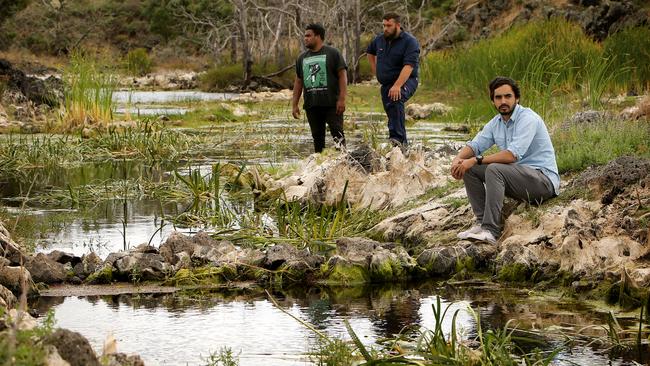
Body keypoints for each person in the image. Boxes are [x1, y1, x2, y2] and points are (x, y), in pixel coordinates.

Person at [450, 76, 560, 244]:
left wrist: (475, 160)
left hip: (542, 182)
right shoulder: (496, 123)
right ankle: (481, 223)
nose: (503, 101)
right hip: (518, 180)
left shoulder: (528, 118)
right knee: (469, 168)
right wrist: (458, 159)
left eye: (508, 96)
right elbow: (475, 145)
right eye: (498, 97)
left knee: (493, 168)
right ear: (493, 101)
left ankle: (491, 231)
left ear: (517, 98)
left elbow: (511, 155)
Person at [292, 23, 347, 153]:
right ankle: (320, 168)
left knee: (338, 136)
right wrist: (294, 104)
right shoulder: (302, 58)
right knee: (317, 139)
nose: (305, 38)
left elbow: (342, 76)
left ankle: (345, 164)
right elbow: (298, 82)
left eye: (308, 36)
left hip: (332, 104)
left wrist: (342, 99)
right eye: (305, 36)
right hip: (312, 105)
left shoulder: (333, 53)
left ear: (318, 36)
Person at [366, 13, 420, 147]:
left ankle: (398, 141)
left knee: (396, 99)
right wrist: (376, 71)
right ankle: (400, 144)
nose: (385, 28)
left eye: (389, 25)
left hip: (407, 80)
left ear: (398, 25)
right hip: (386, 84)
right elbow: (370, 52)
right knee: (391, 111)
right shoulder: (379, 40)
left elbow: (409, 66)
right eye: (383, 25)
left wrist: (397, 86)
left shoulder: (410, 41)